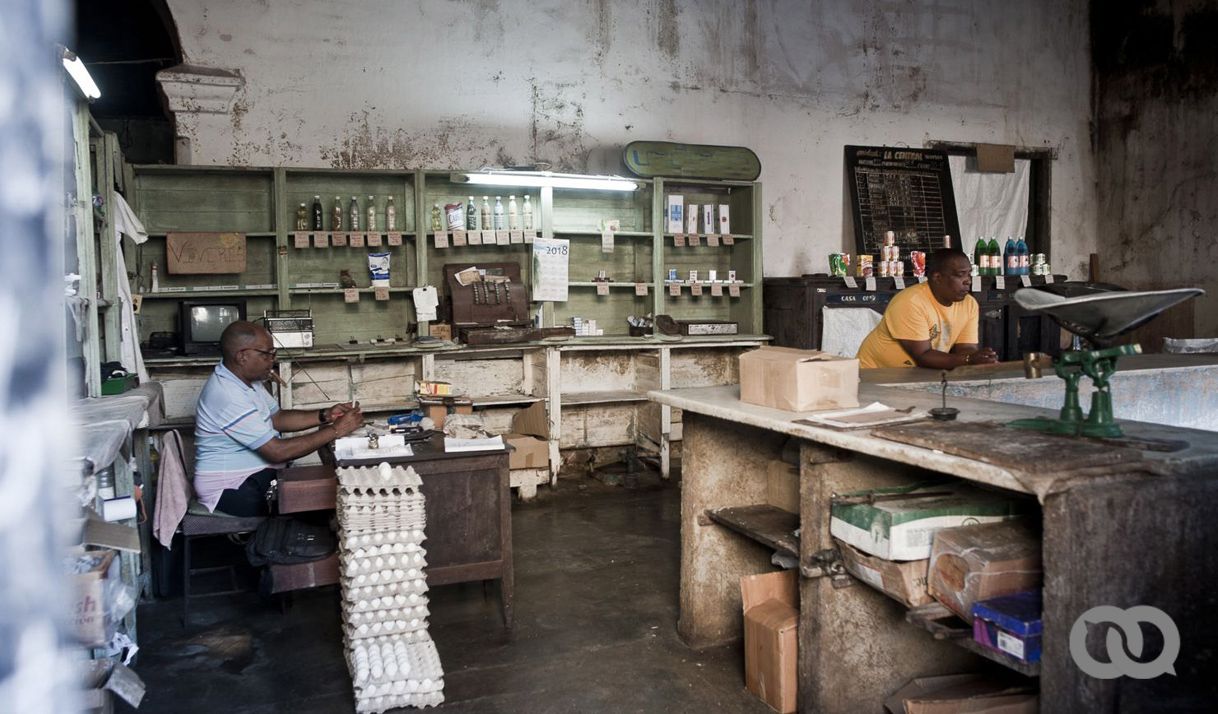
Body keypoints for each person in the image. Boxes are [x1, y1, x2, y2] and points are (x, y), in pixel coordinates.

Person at [193, 321, 364, 516]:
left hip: (254, 476)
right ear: (242, 356)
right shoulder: (227, 394)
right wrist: (336, 430)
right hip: (232, 488)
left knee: (329, 491)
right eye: (267, 354)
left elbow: (277, 417)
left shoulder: (246, 381)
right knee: (325, 500)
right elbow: (277, 452)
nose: (272, 360)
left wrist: (325, 415)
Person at [856, 248, 1000, 369]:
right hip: (873, 375)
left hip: (916, 375)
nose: (968, 280)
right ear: (937, 278)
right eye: (960, 275)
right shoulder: (911, 301)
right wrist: (969, 360)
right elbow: (923, 356)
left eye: (969, 274)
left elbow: (966, 348)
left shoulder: (969, 304)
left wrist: (979, 358)